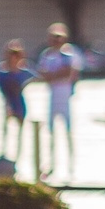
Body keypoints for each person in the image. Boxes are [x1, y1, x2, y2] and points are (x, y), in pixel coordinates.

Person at [35, 24, 83, 175]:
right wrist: (55, 75)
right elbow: (43, 73)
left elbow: (69, 72)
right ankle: (51, 164)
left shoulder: (69, 53)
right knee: (50, 131)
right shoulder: (47, 54)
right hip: (52, 95)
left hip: (66, 95)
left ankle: (72, 166)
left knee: (68, 130)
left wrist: (54, 75)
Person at [0, 41, 35, 158]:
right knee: (6, 130)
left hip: (19, 103)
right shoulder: (2, 73)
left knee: (20, 131)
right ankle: (5, 153)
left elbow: (37, 77)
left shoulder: (24, 71)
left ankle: (18, 155)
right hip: (9, 102)